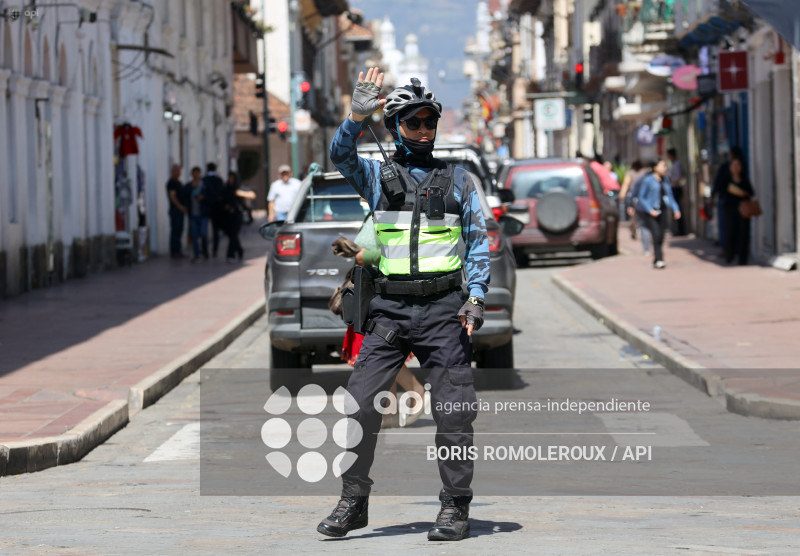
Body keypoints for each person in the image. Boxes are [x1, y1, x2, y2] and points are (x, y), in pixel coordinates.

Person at [317, 68, 489, 542]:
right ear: (394, 126)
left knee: (454, 414)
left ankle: (455, 507)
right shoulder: (375, 178)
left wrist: (475, 298)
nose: (423, 131)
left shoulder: (459, 182)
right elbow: (339, 154)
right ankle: (354, 502)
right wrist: (356, 114)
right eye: (412, 123)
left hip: (443, 311)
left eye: (429, 122)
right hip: (389, 312)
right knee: (359, 407)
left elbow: (477, 244)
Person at [334, 214, 430, 429]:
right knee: (381, 348)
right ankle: (389, 411)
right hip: (373, 291)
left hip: (385, 292)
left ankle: (416, 391)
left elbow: (402, 248)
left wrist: (365, 256)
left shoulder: (391, 211)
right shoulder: (374, 210)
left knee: (380, 349)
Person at [636, 159, 681, 269]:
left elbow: (669, 196)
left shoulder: (665, 180)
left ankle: (657, 258)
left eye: (665, 166)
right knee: (656, 234)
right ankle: (659, 259)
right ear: (655, 167)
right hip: (652, 212)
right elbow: (641, 197)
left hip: (663, 210)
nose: (665, 168)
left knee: (661, 235)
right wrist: (650, 210)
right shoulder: (648, 180)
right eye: (662, 166)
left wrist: (676, 209)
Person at [712, 146, 744, 257]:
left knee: (732, 227)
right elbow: (718, 183)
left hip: (736, 203)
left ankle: (732, 248)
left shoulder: (739, 170)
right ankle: (728, 248)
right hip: (727, 202)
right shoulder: (726, 167)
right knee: (727, 226)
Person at [722, 158, 755, 265]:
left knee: (743, 233)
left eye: (738, 165)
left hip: (743, 210)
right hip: (730, 210)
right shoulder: (726, 180)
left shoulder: (745, 180)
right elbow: (721, 193)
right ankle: (729, 255)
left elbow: (751, 193)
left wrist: (743, 193)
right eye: (734, 165)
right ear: (730, 167)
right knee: (730, 233)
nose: (736, 168)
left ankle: (742, 259)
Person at [219, 171, 256, 263]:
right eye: (230, 178)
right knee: (232, 235)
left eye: (232, 178)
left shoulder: (239, 189)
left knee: (233, 235)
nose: (231, 180)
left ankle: (230, 255)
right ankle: (239, 250)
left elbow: (252, 195)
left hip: (236, 216)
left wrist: (239, 193)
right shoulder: (225, 189)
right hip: (227, 216)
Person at [629, 160, 655, 256]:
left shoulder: (642, 178)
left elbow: (634, 191)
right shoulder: (648, 178)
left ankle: (647, 249)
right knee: (646, 227)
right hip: (645, 206)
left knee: (645, 228)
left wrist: (630, 204)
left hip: (645, 206)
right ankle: (649, 248)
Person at [186, 166, 210, 261]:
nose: (196, 175)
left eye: (197, 173)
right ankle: (197, 253)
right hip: (193, 215)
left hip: (203, 214)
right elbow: (184, 194)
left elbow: (210, 196)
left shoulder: (205, 185)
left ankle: (205, 250)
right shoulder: (189, 186)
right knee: (194, 235)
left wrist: (203, 197)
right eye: (194, 173)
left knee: (204, 234)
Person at [202, 163, 225, 257]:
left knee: (204, 231)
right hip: (216, 208)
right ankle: (214, 249)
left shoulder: (204, 180)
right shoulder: (219, 180)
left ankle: (205, 250)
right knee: (215, 231)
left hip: (206, 208)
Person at [166, 164, 187, 258]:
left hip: (179, 211)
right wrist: (180, 207)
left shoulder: (178, 182)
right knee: (176, 230)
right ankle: (175, 251)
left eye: (179, 171)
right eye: (176, 171)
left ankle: (178, 250)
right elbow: (172, 196)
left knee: (179, 230)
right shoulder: (172, 183)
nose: (178, 173)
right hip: (176, 211)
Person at [666, 148, 686, 236]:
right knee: (675, 209)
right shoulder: (673, 164)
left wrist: (670, 181)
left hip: (676, 189)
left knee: (677, 209)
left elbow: (678, 178)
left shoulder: (677, 164)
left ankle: (681, 230)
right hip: (673, 188)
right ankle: (677, 230)